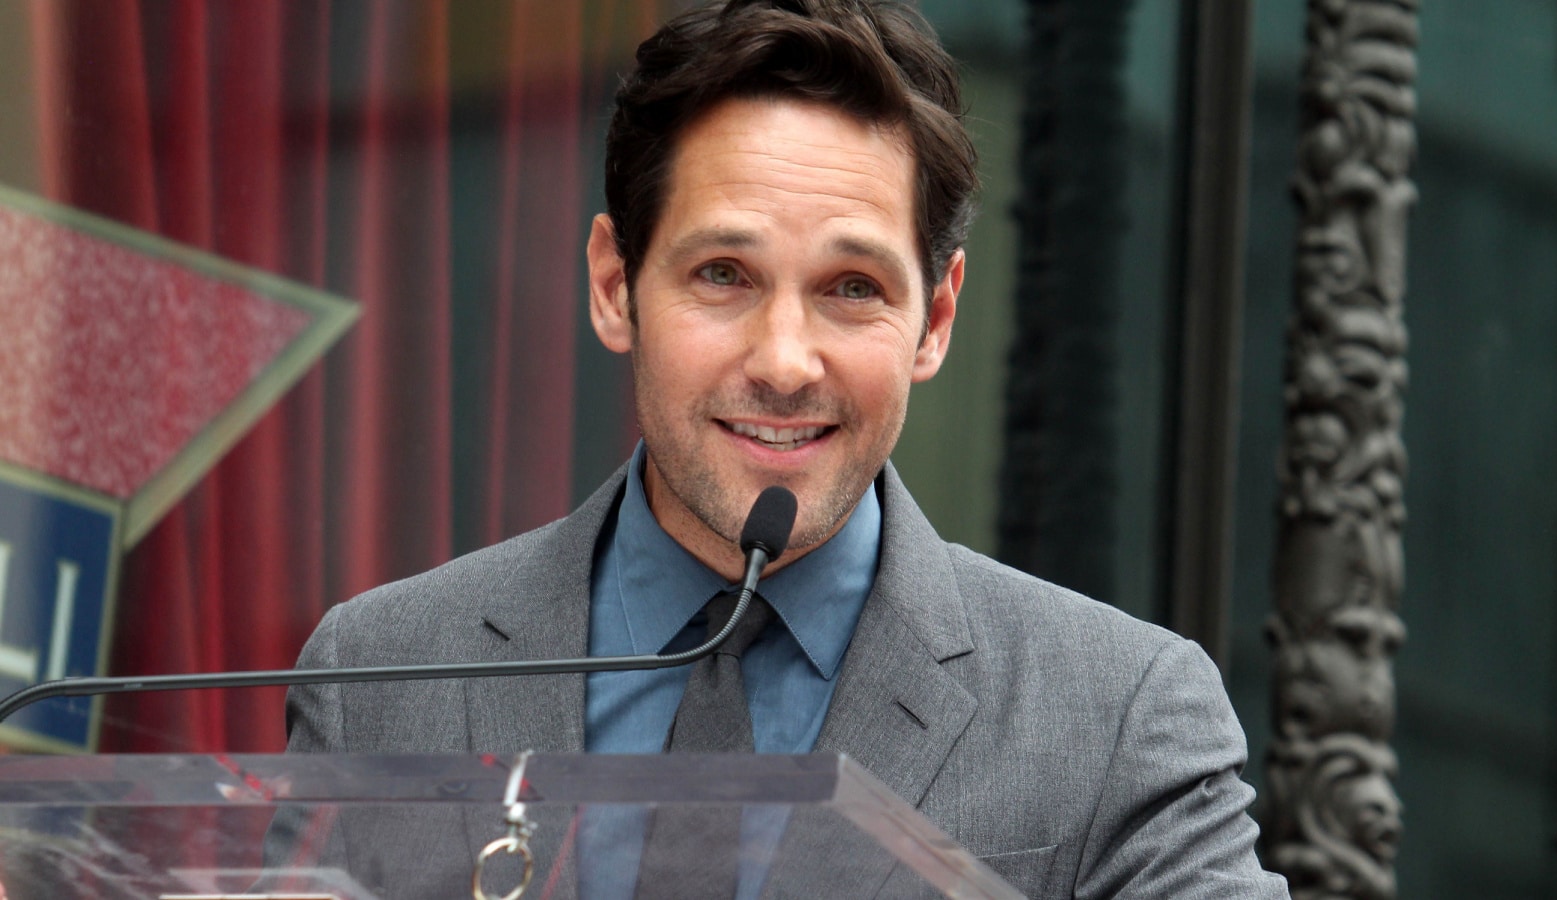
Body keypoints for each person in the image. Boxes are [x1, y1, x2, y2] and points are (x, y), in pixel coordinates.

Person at [284, 1, 1289, 897]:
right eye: (724, 274)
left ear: (935, 321)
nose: (784, 361)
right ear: (612, 284)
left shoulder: (1118, 718)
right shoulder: (381, 675)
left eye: (852, 288)